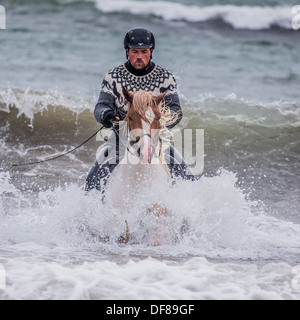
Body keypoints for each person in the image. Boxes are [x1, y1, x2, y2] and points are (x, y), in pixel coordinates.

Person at [85, 28, 194, 193]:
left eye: (144, 51)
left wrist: (157, 123)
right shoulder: (113, 76)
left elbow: (176, 110)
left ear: (151, 52)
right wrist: (107, 115)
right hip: (122, 137)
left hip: (156, 138)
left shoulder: (165, 77)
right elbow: (101, 106)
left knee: (187, 176)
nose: (139, 56)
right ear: (127, 51)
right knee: (93, 179)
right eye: (135, 51)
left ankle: (188, 212)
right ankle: (90, 212)